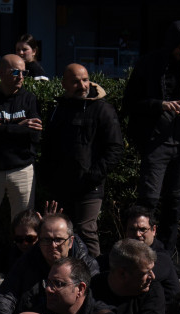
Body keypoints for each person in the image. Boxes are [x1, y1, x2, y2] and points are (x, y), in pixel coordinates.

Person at [124, 20, 180, 258]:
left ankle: (168, 258)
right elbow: (130, 102)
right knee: (148, 201)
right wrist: (160, 105)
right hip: (155, 142)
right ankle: (139, 257)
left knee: (175, 202)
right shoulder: (149, 64)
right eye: (179, 47)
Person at [40, 64, 122, 257]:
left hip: (89, 187)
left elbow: (115, 148)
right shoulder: (57, 109)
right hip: (61, 186)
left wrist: (94, 175)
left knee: (86, 231)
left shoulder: (102, 109)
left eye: (85, 80)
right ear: (64, 84)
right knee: (60, 235)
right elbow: (48, 147)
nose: (82, 85)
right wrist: (48, 177)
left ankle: (94, 278)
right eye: (75, 81)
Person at [0, 54, 41, 263]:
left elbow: (35, 134)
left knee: (26, 228)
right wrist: (17, 129)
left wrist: (0, 128)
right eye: (15, 72)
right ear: (1, 73)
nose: (21, 76)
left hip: (22, 169)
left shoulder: (29, 99)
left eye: (24, 72)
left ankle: (22, 274)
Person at [91, 238, 166, 314]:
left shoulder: (153, 289)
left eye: (151, 270)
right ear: (122, 274)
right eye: (145, 273)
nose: (152, 276)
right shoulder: (93, 288)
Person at [121, 205, 180, 301]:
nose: (137, 234)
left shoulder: (161, 258)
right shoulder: (122, 252)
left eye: (143, 229)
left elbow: (137, 276)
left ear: (154, 230)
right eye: (132, 230)